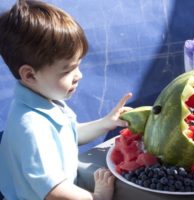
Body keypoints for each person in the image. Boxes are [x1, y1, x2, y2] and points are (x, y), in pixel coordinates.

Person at [0, 1, 132, 199]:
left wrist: (106, 123)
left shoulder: (45, 101)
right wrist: (96, 197)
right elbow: (53, 190)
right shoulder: (31, 127)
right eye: (68, 70)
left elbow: (68, 135)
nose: (79, 75)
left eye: (78, 66)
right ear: (30, 75)